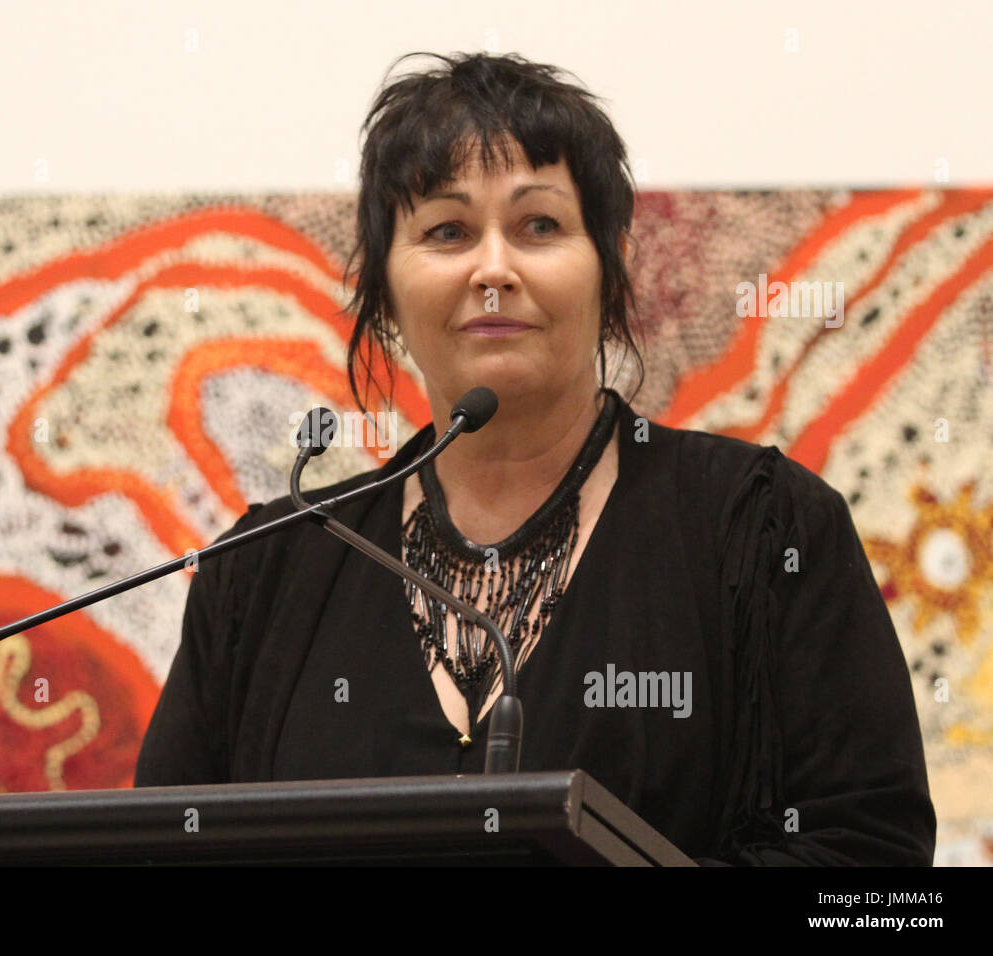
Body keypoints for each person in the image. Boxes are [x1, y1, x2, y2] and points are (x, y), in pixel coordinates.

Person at [134, 51, 936, 866]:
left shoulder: (766, 532)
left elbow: (871, 869)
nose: (493, 269)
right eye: (447, 231)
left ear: (609, 266)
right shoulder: (266, 571)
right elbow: (159, 849)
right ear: (384, 287)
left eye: (539, 226)